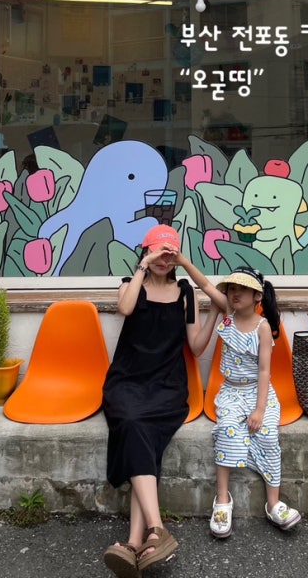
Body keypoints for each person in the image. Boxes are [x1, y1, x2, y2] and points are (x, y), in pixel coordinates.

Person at [101, 224, 217, 578]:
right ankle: (156, 530)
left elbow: (195, 347)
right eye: (158, 254)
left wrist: (214, 314)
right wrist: (143, 266)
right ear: (146, 252)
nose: (164, 261)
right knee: (135, 423)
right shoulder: (130, 284)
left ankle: (134, 542)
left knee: (139, 429)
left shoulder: (185, 293)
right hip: (126, 381)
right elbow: (125, 308)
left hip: (167, 385)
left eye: (170, 255)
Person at [180, 262, 302, 539]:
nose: (235, 293)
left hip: (259, 393)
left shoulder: (263, 326)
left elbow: (264, 371)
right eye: (232, 288)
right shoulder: (228, 312)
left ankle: (273, 503)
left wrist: (259, 409)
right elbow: (205, 285)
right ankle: (222, 499)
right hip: (230, 393)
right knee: (226, 430)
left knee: (268, 435)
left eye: (243, 289)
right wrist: (184, 262)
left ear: (257, 296)